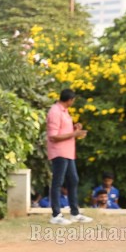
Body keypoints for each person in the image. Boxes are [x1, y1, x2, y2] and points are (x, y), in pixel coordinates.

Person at [46, 88, 92, 225]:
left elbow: (63, 131)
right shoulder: (55, 111)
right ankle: (56, 215)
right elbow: (53, 136)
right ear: (70, 100)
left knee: (73, 180)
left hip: (68, 152)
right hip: (59, 152)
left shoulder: (64, 111)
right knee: (57, 182)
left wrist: (74, 129)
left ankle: (74, 213)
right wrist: (74, 135)